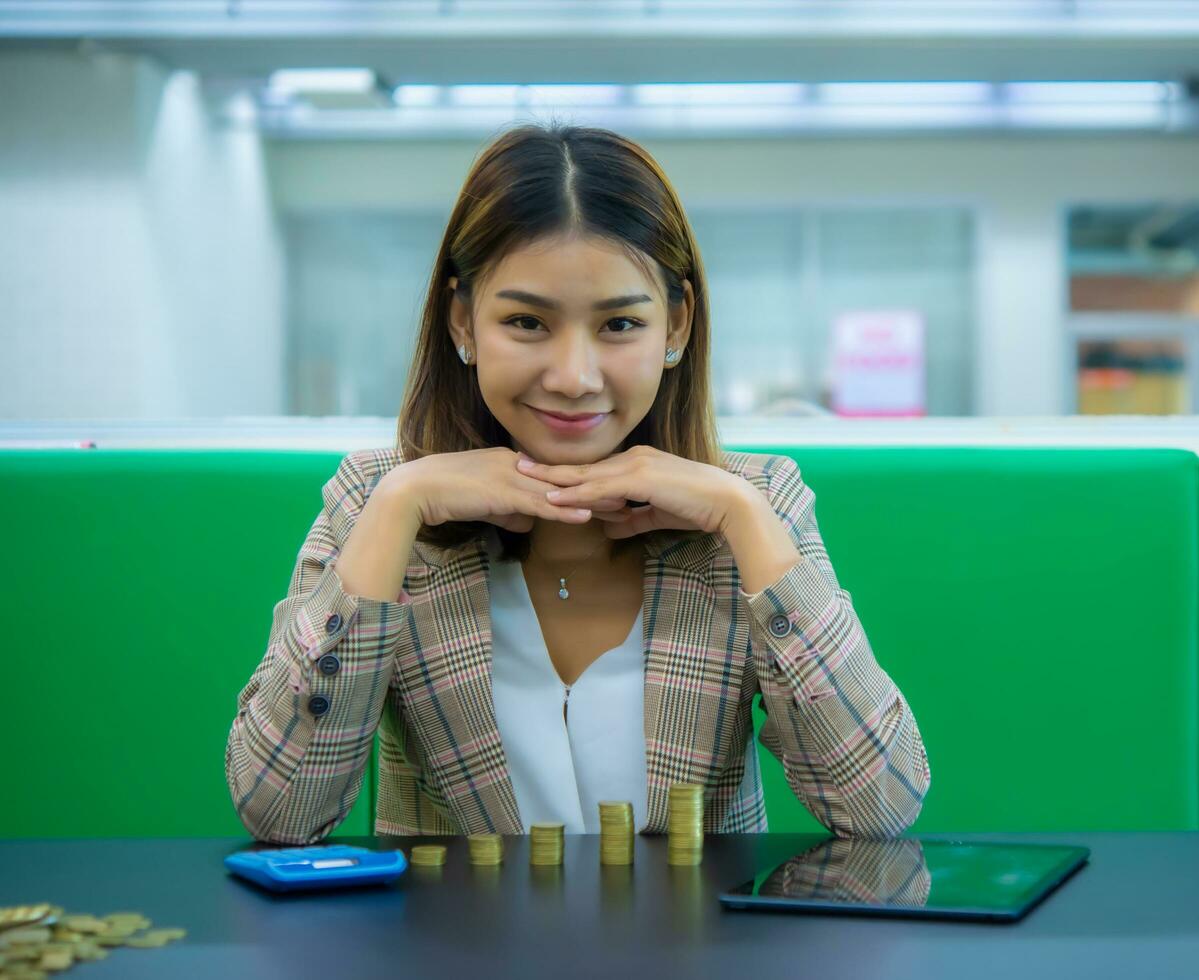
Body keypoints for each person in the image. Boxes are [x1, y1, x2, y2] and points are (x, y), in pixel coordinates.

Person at [225, 123, 931, 846]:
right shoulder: (376, 503)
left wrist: (743, 517)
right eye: (527, 322)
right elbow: (281, 815)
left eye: (620, 323)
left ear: (676, 325)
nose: (573, 378)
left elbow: (880, 804)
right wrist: (398, 505)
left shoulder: (757, 504)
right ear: (463, 321)